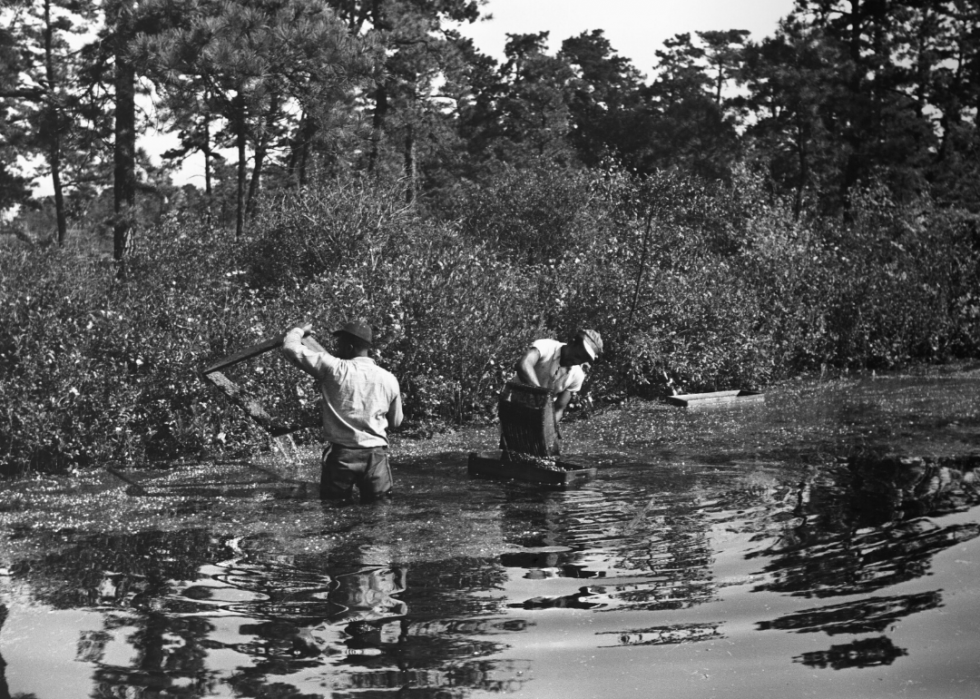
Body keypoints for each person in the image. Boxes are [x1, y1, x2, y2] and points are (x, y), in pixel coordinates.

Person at [281, 320, 403, 502]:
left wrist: (298, 330)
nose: (336, 348)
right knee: (380, 513)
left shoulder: (333, 368)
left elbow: (290, 348)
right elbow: (396, 422)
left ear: (349, 347)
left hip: (342, 457)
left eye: (340, 344)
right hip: (375, 456)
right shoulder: (389, 378)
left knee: (333, 514)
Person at [513, 329, 602, 423]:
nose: (578, 361)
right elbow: (524, 365)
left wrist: (549, 428)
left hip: (537, 413)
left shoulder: (577, 376)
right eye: (578, 355)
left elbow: (559, 408)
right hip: (513, 400)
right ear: (572, 342)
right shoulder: (546, 346)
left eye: (584, 358)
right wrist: (541, 395)